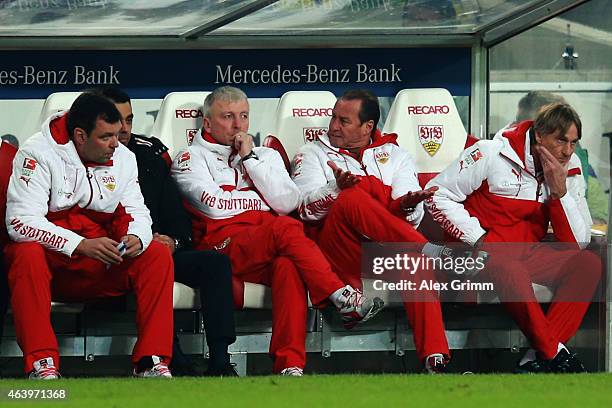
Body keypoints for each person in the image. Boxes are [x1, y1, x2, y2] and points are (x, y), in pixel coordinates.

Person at [171, 86, 383, 376]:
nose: (238, 125)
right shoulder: (188, 158)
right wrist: (261, 201)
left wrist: (249, 160)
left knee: (288, 266)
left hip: (266, 243)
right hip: (222, 245)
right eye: (228, 116)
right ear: (207, 123)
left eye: (244, 116)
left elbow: (287, 202)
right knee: (287, 227)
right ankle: (340, 295)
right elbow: (215, 207)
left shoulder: (263, 155)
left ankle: (290, 364)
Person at [4, 93, 175, 379]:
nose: (115, 144)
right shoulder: (36, 153)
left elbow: (138, 211)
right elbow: (19, 222)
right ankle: (42, 363)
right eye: (106, 137)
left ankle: (151, 361)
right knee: (25, 253)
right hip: (54, 266)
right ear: (80, 135)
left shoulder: (124, 157)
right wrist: (80, 244)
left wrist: (138, 237)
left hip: (102, 263)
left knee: (156, 253)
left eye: (117, 134)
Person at [291, 89, 463, 373]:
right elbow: (305, 211)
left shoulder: (396, 156)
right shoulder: (312, 154)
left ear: (367, 126)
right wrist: (336, 189)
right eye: (333, 118)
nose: (333, 126)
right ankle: (426, 248)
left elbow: (412, 219)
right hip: (334, 254)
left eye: (343, 121)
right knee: (351, 197)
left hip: (381, 252)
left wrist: (406, 207)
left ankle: (435, 360)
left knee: (416, 263)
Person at [426, 103, 602, 373]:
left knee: (588, 264)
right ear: (539, 135)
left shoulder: (571, 166)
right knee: (511, 268)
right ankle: (553, 354)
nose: (568, 151)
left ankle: (539, 357)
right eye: (561, 141)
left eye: (573, 142)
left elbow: (576, 243)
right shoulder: (490, 152)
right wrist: (478, 238)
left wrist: (559, 193)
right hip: (479, 256)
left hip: (526, 253)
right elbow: (435, 193)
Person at [93, 86, 237, 377]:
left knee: (214, 263)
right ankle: (171, 356)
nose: (123, 129)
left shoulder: (149, 155)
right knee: (154, 261)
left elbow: (176, 215)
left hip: (160, 248)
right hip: (116, 254)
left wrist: (174, 240)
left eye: (129, 120)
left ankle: (220, 359)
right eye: (115, 120)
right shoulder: (86, 157)